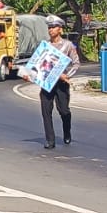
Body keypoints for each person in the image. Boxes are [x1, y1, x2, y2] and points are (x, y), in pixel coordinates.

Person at [25, 15, 81, 149]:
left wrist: (66, 76)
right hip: (47, 84)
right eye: (49, 27)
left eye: (53, 27)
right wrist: (29, 75)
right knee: (46, 111)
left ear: (60, 29)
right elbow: (37, 65)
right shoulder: (45, 46)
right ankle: (50, 140)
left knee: (64, 111)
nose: (51, 30)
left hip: (61, 85)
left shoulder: (67, 45)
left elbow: (76, 63)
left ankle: (67, 131)